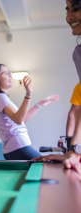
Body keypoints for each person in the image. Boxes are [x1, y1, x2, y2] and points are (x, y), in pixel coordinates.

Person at [0, 64, 59, 160]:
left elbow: (22, 119)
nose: (10, 75)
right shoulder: (1, 97)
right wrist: (28, 94)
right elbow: (19, 119)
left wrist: (39, 105)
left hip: (14, 148)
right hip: (17, 146)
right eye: (5, 73)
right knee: (46, 165)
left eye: (9, 73)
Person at [46, 0, 81, 173]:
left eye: (76, 9)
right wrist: (73, 151)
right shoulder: (79, 53)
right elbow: (75, 113)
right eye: (67, 10)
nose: (68, 17)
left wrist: (74, 151)